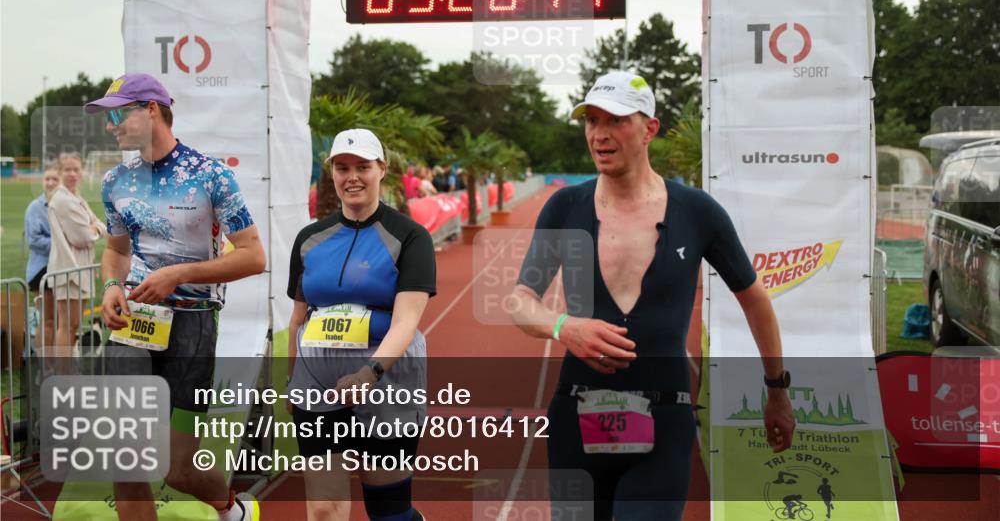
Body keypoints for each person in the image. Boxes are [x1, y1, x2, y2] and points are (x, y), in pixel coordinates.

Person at [506, 71, 796, 520]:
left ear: (649, 128)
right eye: (591, 121)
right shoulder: (565, 207)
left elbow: (755, 299)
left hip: (664, 417)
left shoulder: (697, 211)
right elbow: (520, 300)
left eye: (616, 120)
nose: (599, 134)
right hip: (577, 415)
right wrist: (564, 327)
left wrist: (776, 390)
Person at [86, 73, 266, 521]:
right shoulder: (115, 182)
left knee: (178, 469)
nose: (112, 125)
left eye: (118, 113)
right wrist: (111, 286)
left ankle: (233, 510)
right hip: (135, 324)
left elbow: (253, 257)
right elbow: (115, 251)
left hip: (193, 323)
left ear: (150, 109)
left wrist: (178, 274)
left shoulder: (211, 175)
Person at [287, 128, 435, 521]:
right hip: (318, 384)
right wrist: (290, 379)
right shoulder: (309, 239)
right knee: (323, 510)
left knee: (387, 511)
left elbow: (406, 321)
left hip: (387, 378)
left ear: (382, 169)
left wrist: (371, 373)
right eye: (342, 167)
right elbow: (299, 317)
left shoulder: (410, 236)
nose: (352, 176)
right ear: (331, 172)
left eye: (362, 167)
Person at [47, 152, 106, 353]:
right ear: (60, 172)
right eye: (67, 169)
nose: (72, 174)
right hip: (69, 270)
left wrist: (94, 227)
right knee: (68, 326)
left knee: (73, 326)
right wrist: (94, 228)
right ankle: (63, 375)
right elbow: (83, 237)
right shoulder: (63, 199)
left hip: (79, 269)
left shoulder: (76, 197)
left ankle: (66, 370)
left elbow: (98, 223)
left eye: (76, 169)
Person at [24, 164, 59, 351]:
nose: (51, 182)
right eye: (47, 179)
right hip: (42, 270)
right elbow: (34, 240)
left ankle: (59, 365)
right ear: (42, 181)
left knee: (61, 321)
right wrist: (61, 244)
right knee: (48, 321)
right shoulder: (35, 208)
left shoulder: (65, 204)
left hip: (62, 269)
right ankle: (43, 367)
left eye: (55, 179)